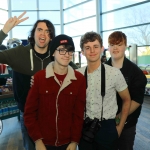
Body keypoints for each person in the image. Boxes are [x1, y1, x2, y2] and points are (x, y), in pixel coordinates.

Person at [0, 12, 78, 150]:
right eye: (39, 29)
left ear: (51, 37)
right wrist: (4, 31)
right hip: (29, 116)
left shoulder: (57, 55)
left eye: (48, 31)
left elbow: (76, 75)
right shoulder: (19, 53)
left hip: (54, 116)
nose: (43, 34)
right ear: (33, 33)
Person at [24, 34, 86, 150]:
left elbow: (78, 114)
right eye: (62, 50)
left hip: (67, 143)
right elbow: (29, 113)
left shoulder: (79, 79)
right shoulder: (39, 78)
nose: (67, 55)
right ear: (53, 53)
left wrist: (74, 141)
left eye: (69, 51)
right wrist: (37, 141)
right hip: (43, 143)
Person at [77, 31, 131, 150]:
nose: (92, 51)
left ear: (102, 49)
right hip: (84, 127)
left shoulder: (114, 73)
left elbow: (127, 99)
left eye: (96, 47)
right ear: (82, 52)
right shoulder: (77, 75)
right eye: (87, 48)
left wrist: (119, 128)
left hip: (107, 128)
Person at [106, 31, 147, 150]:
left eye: (119, 44)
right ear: (108, 47)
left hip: (127, 124)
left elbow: (137, 100)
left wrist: (118, 118)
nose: (115, 48)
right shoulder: (102, 69)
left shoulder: (135, 72)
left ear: (125, 46)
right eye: (112, 44)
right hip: (106, 124)